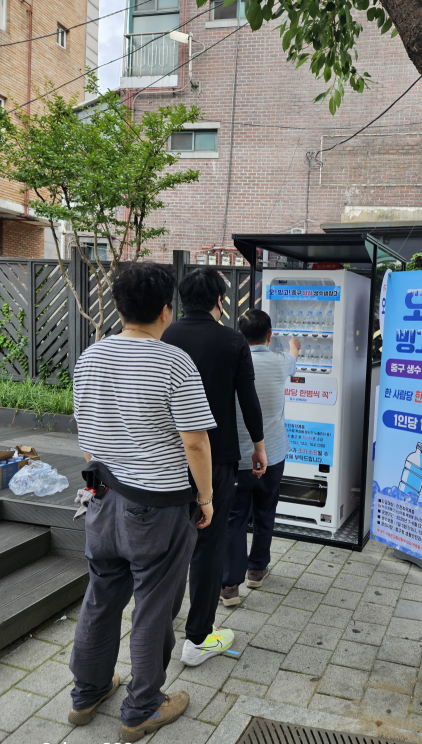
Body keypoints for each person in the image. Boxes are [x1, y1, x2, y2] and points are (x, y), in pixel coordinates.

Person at [69, 263, 215, 743]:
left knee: (101, 596)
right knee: (153, 606)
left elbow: (86, 434)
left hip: (101, 497)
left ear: (118, 307)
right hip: (158, 507)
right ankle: (142, 708)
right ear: (166, 310)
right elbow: (195, 442)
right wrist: (206, 497)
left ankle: (87, 693)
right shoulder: (174, 362)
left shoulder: (89, 358)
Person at [161, 267, 267, 666]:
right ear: (219, 301)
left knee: (170, 542)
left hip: (169, 459)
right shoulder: (232, 340)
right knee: (208, 545)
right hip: (218, 458)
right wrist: (259, 446)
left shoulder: (165, 336)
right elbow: (248, 399)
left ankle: (158, 626)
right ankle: (198, 637)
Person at [220, 309, 299, 605]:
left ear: (240, 335)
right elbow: (293, 355)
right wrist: (293, 344)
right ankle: (256, 569)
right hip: (273, 453)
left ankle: (229, 585)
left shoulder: (231, 361)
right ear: (269, 335)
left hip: (238, 456)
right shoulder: (280, 361)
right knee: (266, 510)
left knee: (235, 518)